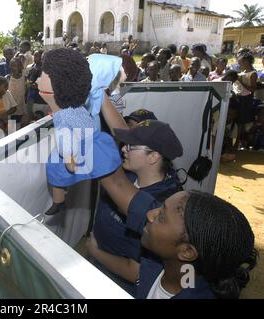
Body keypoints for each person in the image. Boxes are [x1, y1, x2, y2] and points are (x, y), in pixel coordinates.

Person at [92, 163, 257, 298]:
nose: (149, 215)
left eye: (161, 217)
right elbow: (117, 183)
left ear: (187, 252)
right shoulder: (185, 271)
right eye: (160, 207)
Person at [89, 120, 183, 295]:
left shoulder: (163, 209)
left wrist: (95, 252)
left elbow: (136, 272)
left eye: (131, 146)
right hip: (98, 267)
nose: (124, 148)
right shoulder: (130, 174)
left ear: (153, 156)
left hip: (118, 286)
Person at [37, 48, 122, 216]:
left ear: (57, 85)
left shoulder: (63, 116)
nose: (37, 80)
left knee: (54, 166)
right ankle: (61, 196)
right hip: (94, 139)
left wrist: (68, 159)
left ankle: (59, 200)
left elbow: (66, 140)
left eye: (42, 77)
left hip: (83, 148)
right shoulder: (76, 106)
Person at [234, 52, 258, 149]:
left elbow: (252, 89)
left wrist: (240, 81)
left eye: (240, 61)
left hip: (246, 99)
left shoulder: (253, 73)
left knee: (242, 122)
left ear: (246, 62)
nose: (239, 63)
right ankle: (239, 142)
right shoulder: (243, 71)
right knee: (238, 121)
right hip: (239, 97)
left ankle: (240, 143)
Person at [26, 50, 48, 117]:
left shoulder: (45, 70)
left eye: (37, 56)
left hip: (42, 100)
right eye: (34, 56)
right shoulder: (32, 67)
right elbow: (28, 82)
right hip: (32, 98)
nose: (35, 58)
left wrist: (34, 86)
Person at [7, 57, 27, 125]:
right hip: (10, 111)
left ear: (21, 66)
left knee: (22, 131)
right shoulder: (7, 78)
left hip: (22, 110)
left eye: (19, 65)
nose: (17, 67)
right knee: (12, 131)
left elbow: (26, 93)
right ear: (10, 67)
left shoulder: (24, 78)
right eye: (14, 65)